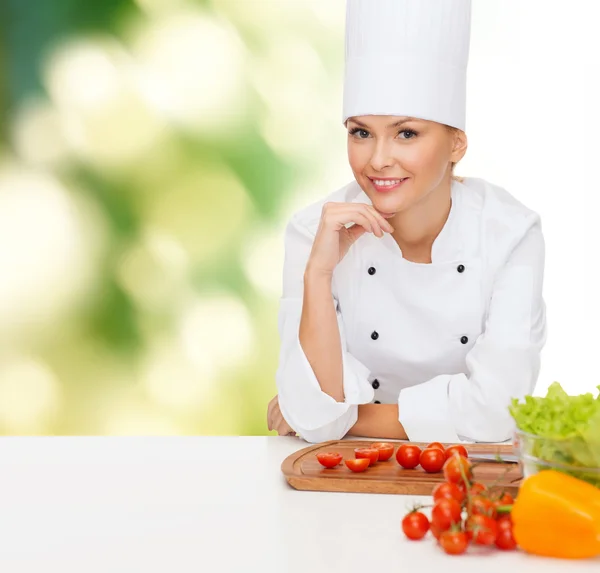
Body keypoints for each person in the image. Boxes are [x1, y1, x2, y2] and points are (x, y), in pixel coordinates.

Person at [267, 0, 547, 443]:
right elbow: (316, 417)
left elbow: (497, 415)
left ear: (457, 143)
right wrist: (319, 275)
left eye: (406, 133)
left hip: (463, 485)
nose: (378, 160)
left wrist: (345, 419)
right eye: (361, 132)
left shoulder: (510, 234)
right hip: (342, 486)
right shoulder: (314, 231)